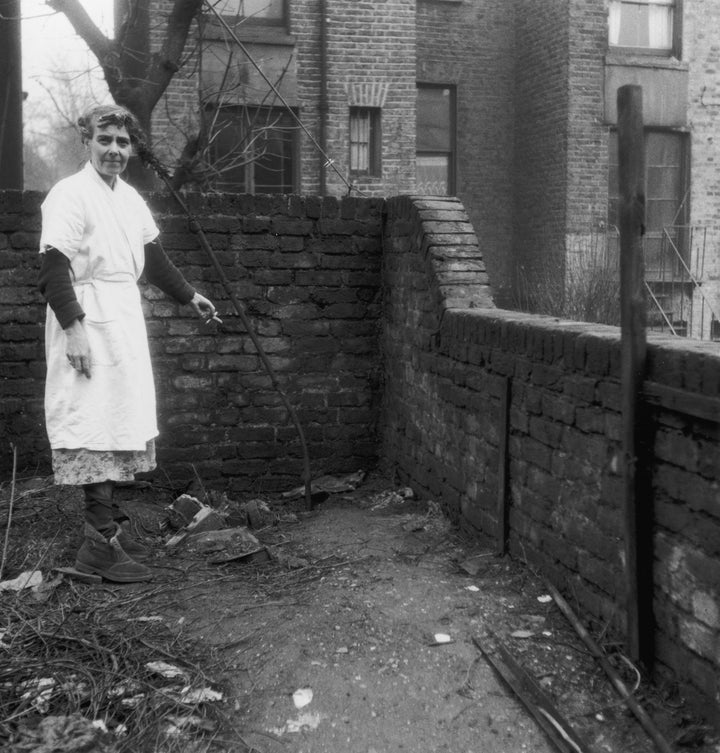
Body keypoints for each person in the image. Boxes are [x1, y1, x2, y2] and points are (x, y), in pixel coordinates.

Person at [38, 104, 218, 583]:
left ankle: (111, 530)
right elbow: (53, 269)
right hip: (85, 316)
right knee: (91, 421)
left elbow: (153, 260)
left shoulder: (131, 199)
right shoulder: (69, 194)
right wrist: (74, 328)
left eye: (122, 143)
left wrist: (190, 295)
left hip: (122, 319)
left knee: (118, 420)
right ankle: (97, 544)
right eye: (105, 141)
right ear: (87, 142)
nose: (115, 150)